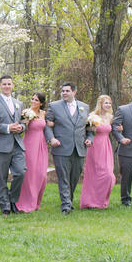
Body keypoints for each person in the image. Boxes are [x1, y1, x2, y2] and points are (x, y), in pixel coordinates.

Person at [44, 82, 94, 214]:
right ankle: (66, 205)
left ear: (74, 92)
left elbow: (89, 128)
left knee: (74, 177)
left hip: (79, 148)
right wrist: (51, 138)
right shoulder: (54, 106)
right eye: (63, 91)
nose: (64, 93)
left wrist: (90, 139)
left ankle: (69, 200)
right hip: (61, 147)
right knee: (63, 177)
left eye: (67, 91)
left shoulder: (84, 107)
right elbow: (48, 125)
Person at [0, 76, 26, 215]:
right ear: (0, 85)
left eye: (9, 84)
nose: (7, 86)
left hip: (17, 145)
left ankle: (13, 200)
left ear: (12, 85)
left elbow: (23, 121)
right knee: (1, 178)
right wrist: (7, 128)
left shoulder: (18, 103)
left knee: (20, 172)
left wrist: (21, 127)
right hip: (0, 146)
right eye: (4, 84)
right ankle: (5, 206)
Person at [80, 95, 116, 209]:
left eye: (109, 103)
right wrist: (89, 134)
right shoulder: (92, 116)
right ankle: (90, 201)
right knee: (94, 174)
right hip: (95, 147)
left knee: (109, 175)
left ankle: (102, 200)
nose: (108, 105)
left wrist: (120, 129)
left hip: (106, 146)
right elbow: (86, 131)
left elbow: (114, 129)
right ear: (100, 104)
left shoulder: (110, 117)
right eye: (106, 103)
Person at [15, 92, 48, 213]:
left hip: (41, 145)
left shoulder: (44, 114)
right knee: (30, 175)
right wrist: (25, 123)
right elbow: (20, 129)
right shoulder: (25, 112)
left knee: (41, 175)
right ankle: (25, 203)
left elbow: (48, 127)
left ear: (41, 103)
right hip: (29, 144)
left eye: (36, 100)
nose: (33, 101)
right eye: (32, 99)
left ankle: (36, 202)